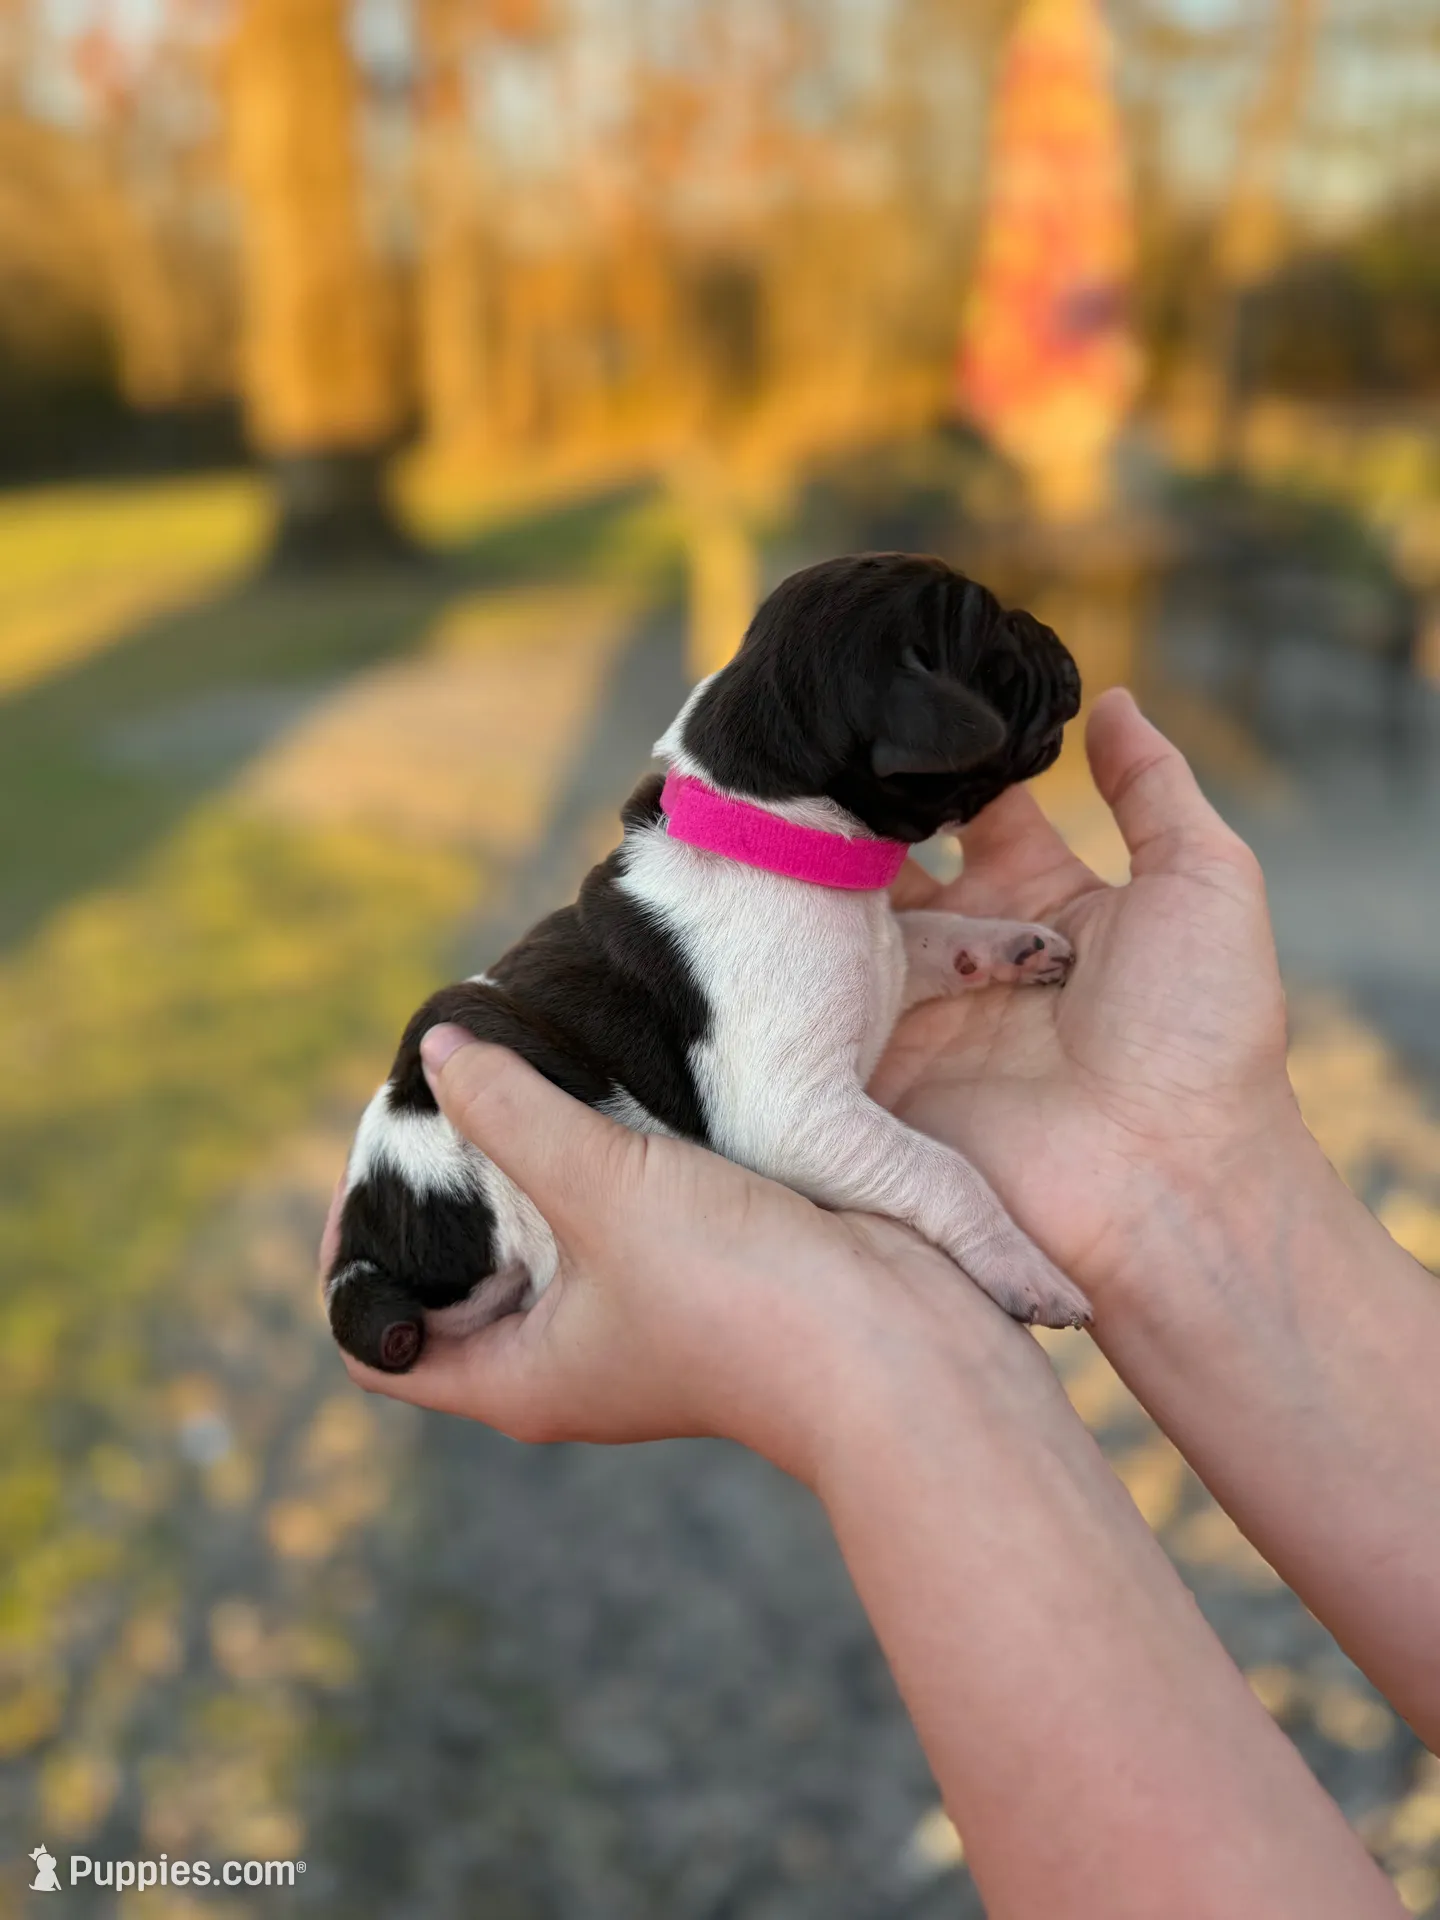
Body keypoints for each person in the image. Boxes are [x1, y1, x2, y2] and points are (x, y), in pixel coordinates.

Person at [323, 688, 1440, 1920]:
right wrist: (1176, 1190)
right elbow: (788, 1088)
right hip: (466, 1212)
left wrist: (1168, 1175)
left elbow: (801, 1002)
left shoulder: (762, 880)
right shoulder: (735, 905)